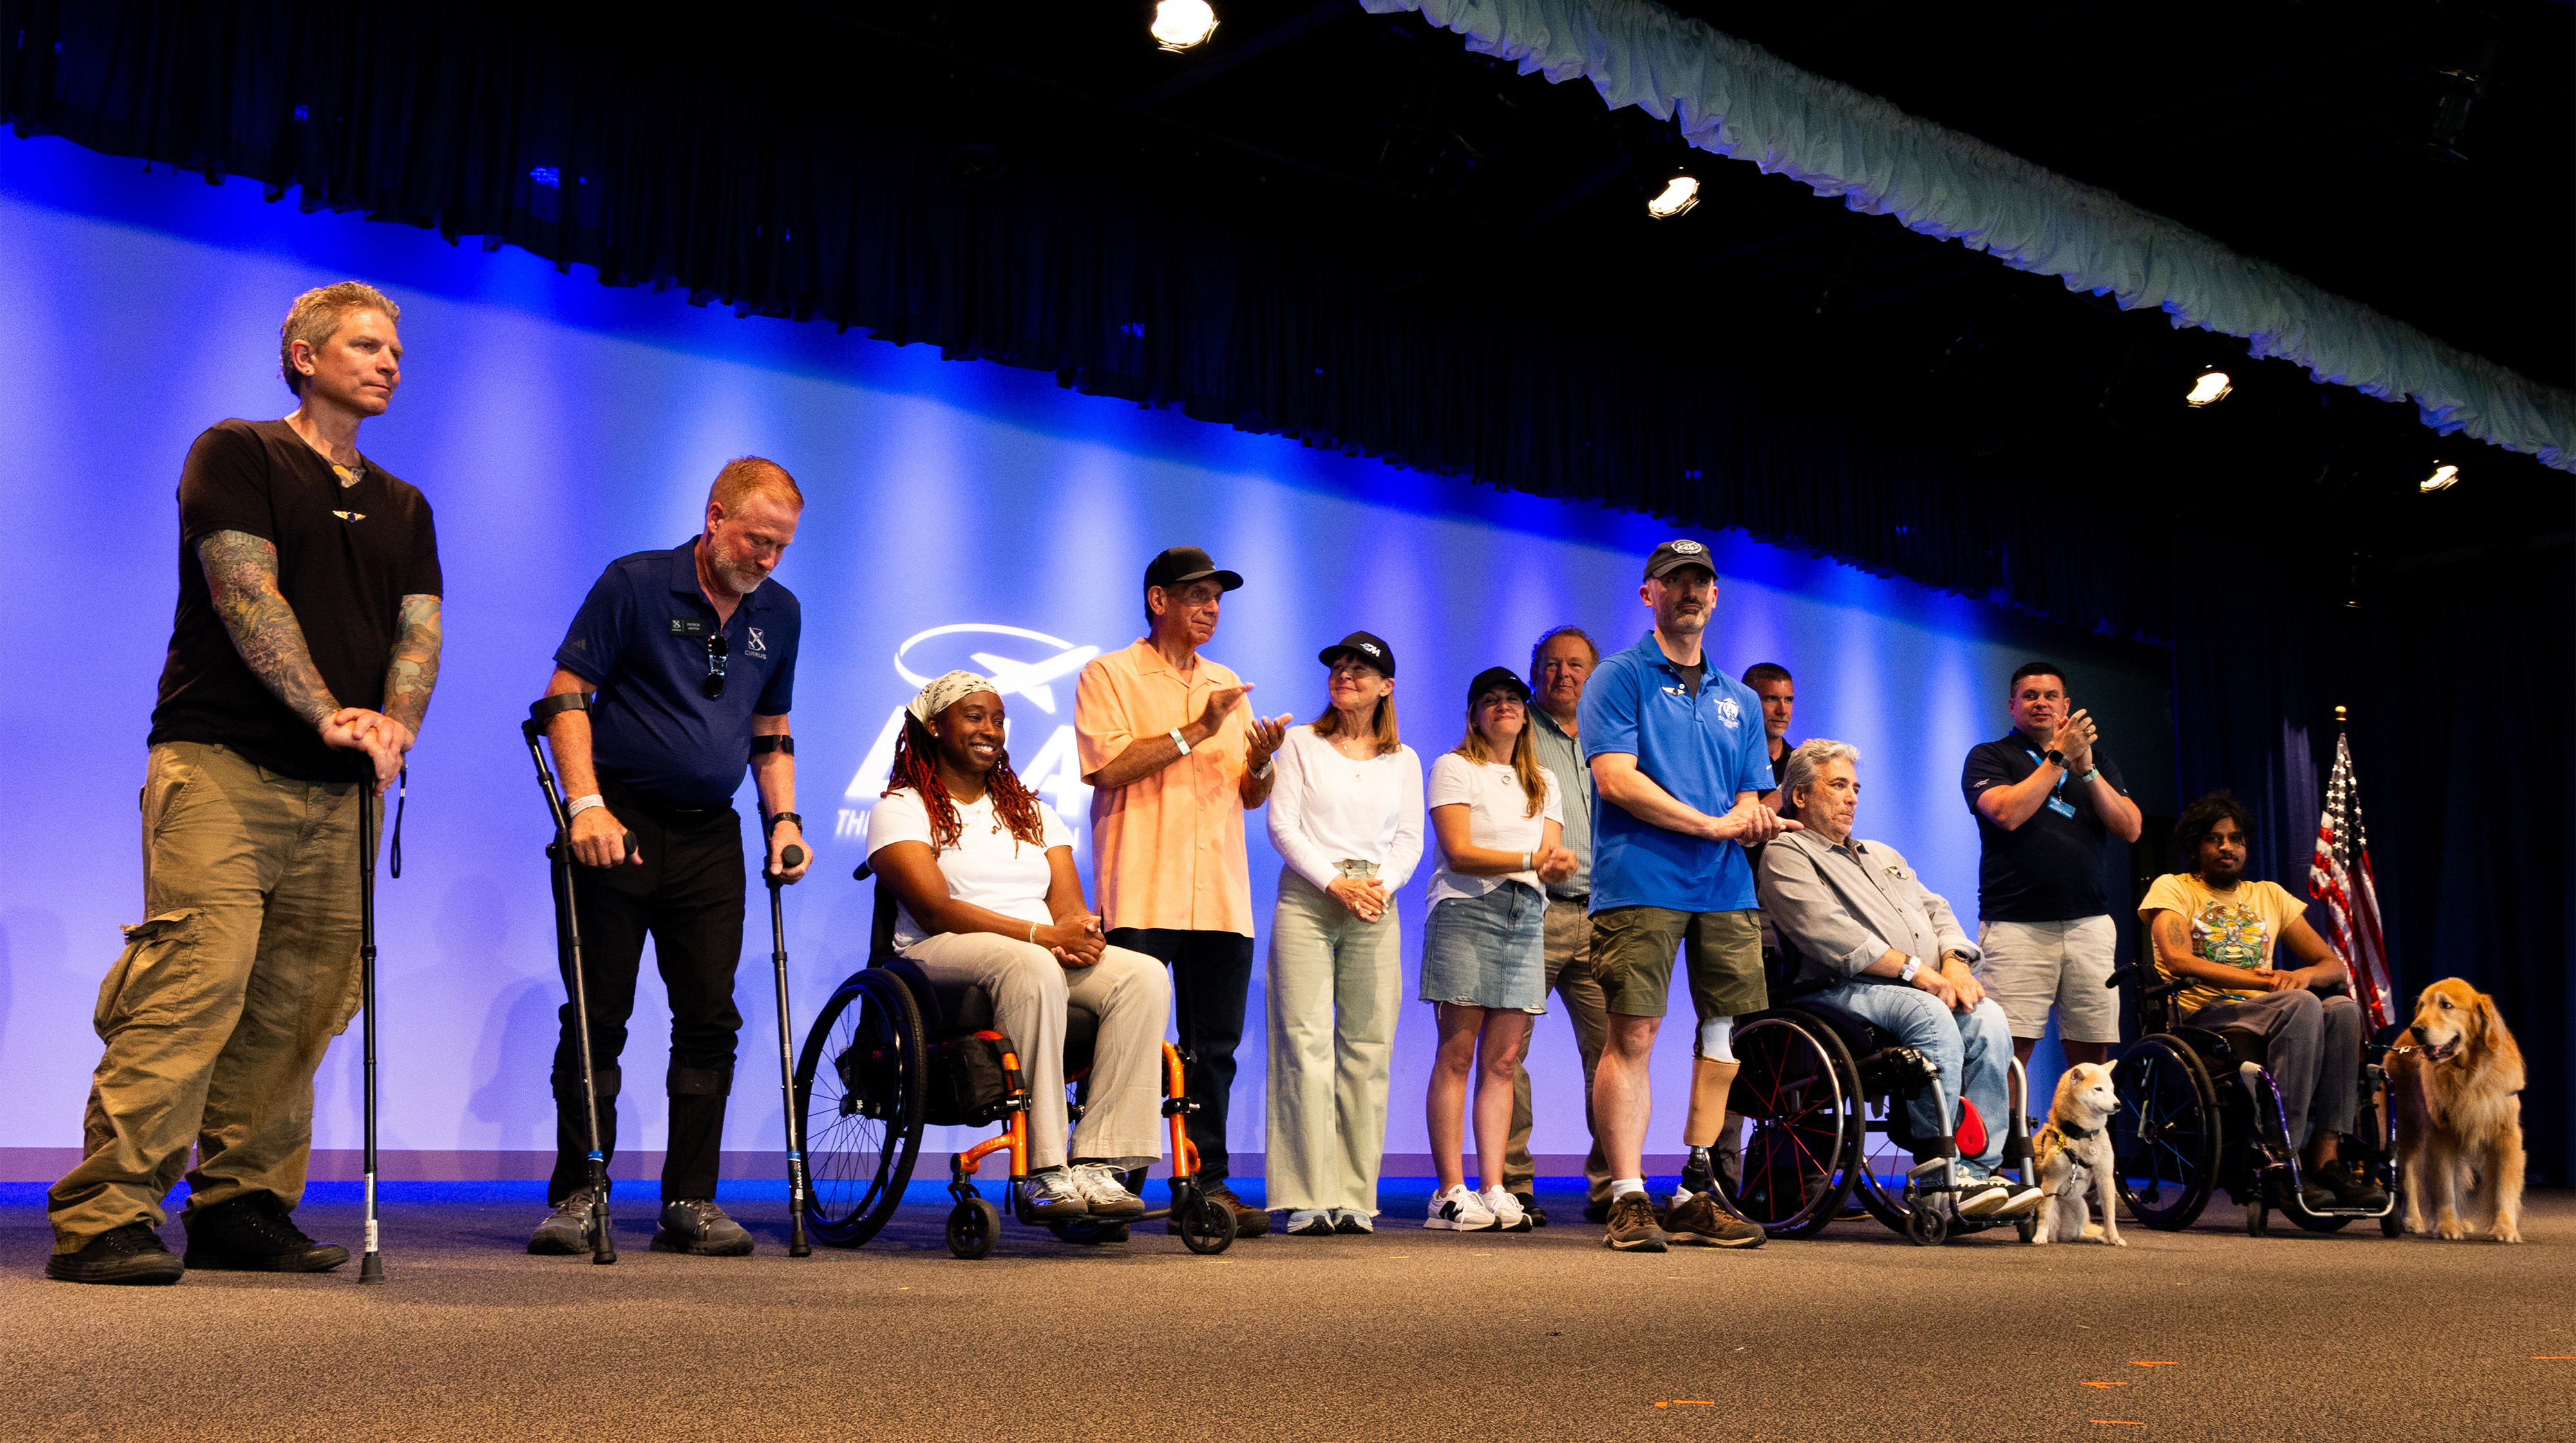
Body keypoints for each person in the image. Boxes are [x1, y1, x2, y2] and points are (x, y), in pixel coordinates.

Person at [46, 283, 437, 1287]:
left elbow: (418, 630)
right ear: (304, 357)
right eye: (365, 344)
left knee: (301, 1003)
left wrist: (393, 727)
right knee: (193, 983)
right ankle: (107, 1213)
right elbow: (242, 590)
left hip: (343, 790)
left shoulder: (405, 503)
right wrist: (323, 711)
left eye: (395, 347)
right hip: (221, 762)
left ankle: (241, 1206)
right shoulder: (240, 451)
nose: (389, 360)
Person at [527, 457, 811, 1258]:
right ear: (715, 516)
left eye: (781, 547)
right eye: (756, 540)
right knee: (598, 1017)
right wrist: (586, 806)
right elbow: (565, 694)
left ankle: (690, 1200)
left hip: (710, 836)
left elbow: (770, 727)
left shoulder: (779, 612)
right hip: (615, 822)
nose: (766, 560)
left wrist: (783, 821)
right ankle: (580, 1193)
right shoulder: (636, 583)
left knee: (709, 1020)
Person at [872, 672, 1170, 1220]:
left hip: (1037, 950)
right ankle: (1043, 1166)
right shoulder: (901, 806)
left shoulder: (1029, 811)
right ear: (935, 727)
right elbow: (936, 909)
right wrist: (1043, 937)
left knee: (1143, 974)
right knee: (1031, 963)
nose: (992, 729)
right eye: (976, 716)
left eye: (999, 718)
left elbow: (1067, 908)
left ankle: (1100, 1161)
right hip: (939, 953)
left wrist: (1080, 932)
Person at [1582, 539, 1794, 1253]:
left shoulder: (1738, 698)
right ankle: (1627, 1194)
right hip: (1640, 879)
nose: (1689, 592)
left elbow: (1748, 793)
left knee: (1719, 1038)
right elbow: (1615, 779)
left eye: (1700, 582)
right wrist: (1711, 823)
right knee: (1633, 1035)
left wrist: (1749, 817)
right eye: (1674, 582)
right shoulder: (1618, 678)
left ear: (1715, 596)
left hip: (1725, 889)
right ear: (1649, 594)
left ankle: (1694, 1190)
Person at [1075, 546, 1290, 1238]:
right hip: (1141, 887)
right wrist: (1196, 728)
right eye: (1197, 594)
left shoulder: (1227, 681)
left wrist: (1260, 767)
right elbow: (1108, 767)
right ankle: (1108, 1181)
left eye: (1218, 597)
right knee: (1126, 1043)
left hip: (1220, 896)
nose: (1211, 607)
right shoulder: (1108, 674)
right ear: (1157, 600)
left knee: (1213, 1049)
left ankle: (1205, 1183)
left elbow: (1246, 796)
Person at [1758, 741, 2039, 1216]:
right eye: (1838, 786)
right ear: (1800, 796)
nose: (1851, 797)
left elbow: (1938, 909)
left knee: (1988, 1018)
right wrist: (1917, 971)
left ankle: (1978, 1169)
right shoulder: (1786, 854)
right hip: (1838, 989)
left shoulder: (1882, 853)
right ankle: (1937, 1171)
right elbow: (1829, 935)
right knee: (1930, 1013)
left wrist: (1953, 961)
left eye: (1855, 787)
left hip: (1918, 981)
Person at [2141, 792, 2383, 1210]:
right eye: (2215, 839)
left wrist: (2303, 975)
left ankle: (2326, 1157)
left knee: (2342, 1008)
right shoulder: (2174, 887)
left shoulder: (2269, 895)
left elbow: (2334, 965)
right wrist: (2266, 980)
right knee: (2302, 1004)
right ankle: (2277, 1155)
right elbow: (2179, 959)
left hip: (2271, 1009)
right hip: (2207, 1016)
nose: (2227, 847)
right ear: (2197, 846)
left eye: (2236, 839)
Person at [1264, 632, 1425, 1236]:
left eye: (1361, 668)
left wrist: (1378, 886)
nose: (1346, 674)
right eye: (1338, 665)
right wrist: (1337, 883)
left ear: (1386, 686)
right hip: (1311, 894)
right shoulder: (1302, 743)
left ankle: (1356, 1194)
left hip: (1375, 899)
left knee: (1367, 1048)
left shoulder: (1402, 758)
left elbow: (1410, 839)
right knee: (1304, 1044)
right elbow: (1283, 826)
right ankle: (1308, 1193)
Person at [1419, 668, 1577, 1231]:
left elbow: (1552, 855)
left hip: (1525, 914)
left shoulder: (1544, 781)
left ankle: (1493, 1187)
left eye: (1513, 698)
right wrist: (1537, 861)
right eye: (1490, 700)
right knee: (1457, 1054)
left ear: (1526, 713)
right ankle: (1448, 1191)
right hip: (1467, 911)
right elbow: (1459, 851)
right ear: (1474, 714)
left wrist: (1556, 863)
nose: (1504, 706)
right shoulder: (1454, 767)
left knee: (1504, 1060)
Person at [1961, 662, 2143, 1079]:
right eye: (2030, 695)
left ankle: (2078, 1146)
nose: (2040, 702)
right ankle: (2005, 1146)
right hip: (2016, 926)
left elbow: (2131, 828)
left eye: (2050, 696)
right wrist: (2058, 757)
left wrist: (2089, 770)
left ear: (2066, 706)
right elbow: (2006, 813)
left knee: (2090, 1056)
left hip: (2089, 925)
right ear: (2012, 704)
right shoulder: (1991, 755)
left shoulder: (2096, 762)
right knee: (2007, 1052)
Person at [1502, 626, 1613, 1225]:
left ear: (1591, 675)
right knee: (1506, 1055)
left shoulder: (1614, 736)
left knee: (1611, 1056)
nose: (1562, 674)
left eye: (1575, 665)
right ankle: (1513, 1184)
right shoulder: (1514, 731)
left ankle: (1611, 1185)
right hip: (1534, 912)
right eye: (1549, 664)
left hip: (1602, 917)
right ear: (1534, 669)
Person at [1743, 663, 1796, 802]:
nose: (1782, 711)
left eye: (1788, 700)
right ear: (1747, 702)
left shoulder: (1797, 761)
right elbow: (1739, 821)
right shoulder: (1732, 760)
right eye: (1771, 699)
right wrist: (1791, 782)